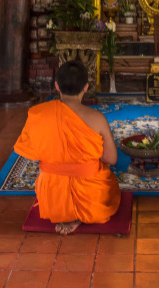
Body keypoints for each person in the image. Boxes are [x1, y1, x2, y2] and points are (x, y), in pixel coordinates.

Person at [13, 61, 121, 235]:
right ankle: (79, 213)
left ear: (56, 86)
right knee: (108, 182)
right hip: (90, 197)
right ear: (86, 87)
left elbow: (32, 152)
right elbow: (111, 159)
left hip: (51, 196)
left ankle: (64, 211)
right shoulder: (97, 118)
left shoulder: (38, 114)